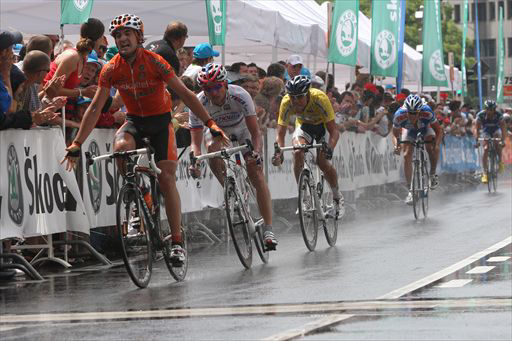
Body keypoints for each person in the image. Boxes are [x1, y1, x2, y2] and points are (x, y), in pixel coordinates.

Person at [61, 14, 228, 265]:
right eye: (117, 35)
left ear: (139, 36)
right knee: (120, 148)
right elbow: (95, 108)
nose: (122, 39)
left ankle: (176, 241)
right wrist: (76, 144)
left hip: (161, 123)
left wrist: (211, 124)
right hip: (135, 122)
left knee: (167, 179)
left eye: (127, 33)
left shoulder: (156, 62)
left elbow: (186, 93)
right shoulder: (111, 69)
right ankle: (138, 192)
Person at [187, 63, 278, 251]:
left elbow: (255, 133)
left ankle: (268, 229)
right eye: (206, 88)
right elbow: (196, 143)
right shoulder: (198, 102)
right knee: (212, 149)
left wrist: (256, 153)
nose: (212, 92)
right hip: (215, 132)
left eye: (215, 87)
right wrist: (195, 160)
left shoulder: (240, 95)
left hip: (241, 128)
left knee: (256, 173)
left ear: (225, 84)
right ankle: (229, 189)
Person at [272, 75, 344, 218]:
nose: (295, 101)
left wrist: (330, 147)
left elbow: (334, 131)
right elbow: (280, 133)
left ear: (308, 94)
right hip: (304, 126)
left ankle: (337, 197)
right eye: (292, 97)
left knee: (322, 162)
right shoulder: (287, 102)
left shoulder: (320, 99)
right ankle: (303, 196)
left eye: (299, 97)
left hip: (322, 127)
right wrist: (278, 152)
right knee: (298, 152)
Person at [392, 94, 443, 205]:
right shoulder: (399, 115)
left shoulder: (427, 112)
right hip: (409, 130)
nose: (412, 116)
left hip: (426, 128)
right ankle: (411, 190)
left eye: (415, 113)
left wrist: (437, 144)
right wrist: (396, 145)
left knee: (430, 147)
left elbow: (439, 131)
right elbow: (395, 135)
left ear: (420, 111)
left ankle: (432, 174)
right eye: (410, 113)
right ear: (406, 111)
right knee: (406, 155)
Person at [475, 100, 507, 182]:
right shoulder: (480, 115)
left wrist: (503, 140)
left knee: (497, 143)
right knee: (485, 149)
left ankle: (500, 162)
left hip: (496, 130)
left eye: (491, 109)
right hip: (486, 131)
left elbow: (503, 129)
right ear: (485, 109)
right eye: (487, 109)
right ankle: (485, 173)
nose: (489, 111)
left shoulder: (499, 115)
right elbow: (477, 129)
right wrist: (477, 141)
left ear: (494, 110)